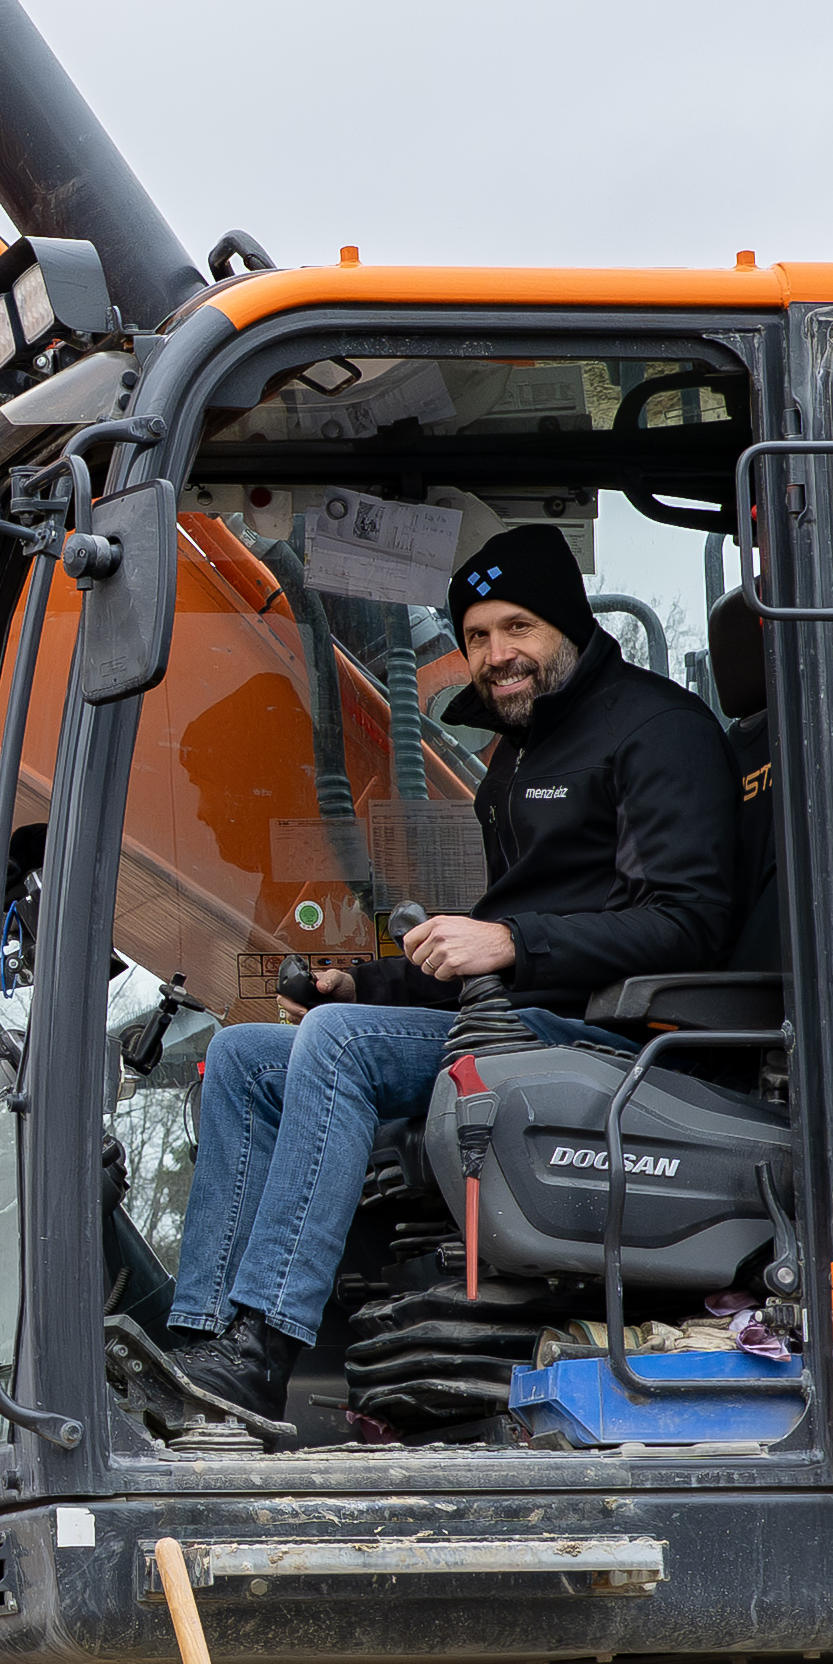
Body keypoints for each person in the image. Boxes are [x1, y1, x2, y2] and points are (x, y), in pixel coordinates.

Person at [157, 524, 750, 1439]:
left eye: (517, 627)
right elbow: (486, 959)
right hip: (517, 1025)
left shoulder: (656, 732)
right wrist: (363, 986)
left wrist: (511, 941)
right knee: (244, 1057)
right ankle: (202, 1341)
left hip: (611, 1043)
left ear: (568, 625)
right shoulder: (517, 756)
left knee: (337, 1050)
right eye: (475, 636)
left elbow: (690, 923)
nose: (495, 654)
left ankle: (266, 1346)